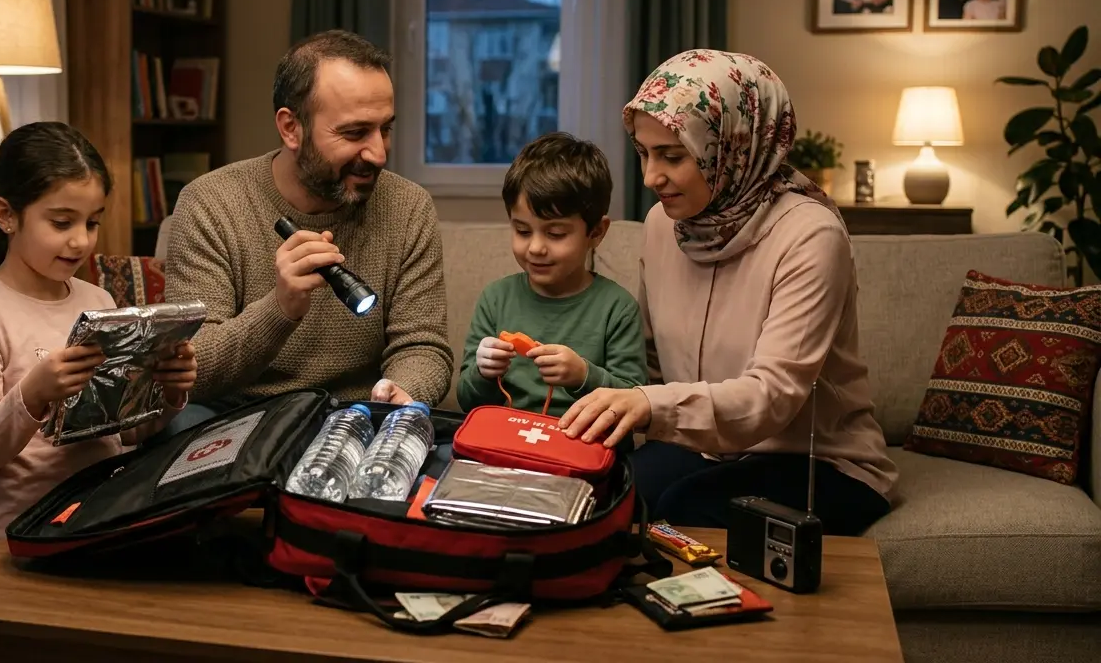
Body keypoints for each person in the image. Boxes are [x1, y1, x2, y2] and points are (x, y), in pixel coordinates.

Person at [558, 49, 897, 536]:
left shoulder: (810, 237)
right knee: (601, 497)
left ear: (734, 146)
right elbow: (651, 363)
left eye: (672, 156)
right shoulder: (662, 225)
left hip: (818, 464)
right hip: (704, 449)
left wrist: (653, 408)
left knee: (683, 508)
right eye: (644, 153)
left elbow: (772, 396)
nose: (651, 177)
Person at [163, 30, 453, 418]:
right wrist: (280, 308)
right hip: (236, 422)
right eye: (355, 132)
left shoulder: (407, 207)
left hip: (355, 417)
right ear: (291, 128)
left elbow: (423, 346)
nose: (379, 153)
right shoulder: (211, 204)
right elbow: (191, 372)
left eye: (385, 129)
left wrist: (401, 391)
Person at [0, 122, 197, 554]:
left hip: (98, 517)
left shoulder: (97, 299)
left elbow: (125, 434)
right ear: (6, 215)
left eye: (92, 223)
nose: (80, 241)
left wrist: (169, 390)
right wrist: (33, 393)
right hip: (13, 536)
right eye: (61, 223)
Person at [458, 132, 647, 417]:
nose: (535, 248)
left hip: (582, 446)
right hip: (506, 444)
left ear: (596, 232)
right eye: (522, 231)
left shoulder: (618, 309)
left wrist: (584, 375)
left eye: (555, 234)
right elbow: (467, 401)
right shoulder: (495, 299)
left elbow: (633, 405)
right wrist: (482, 372)